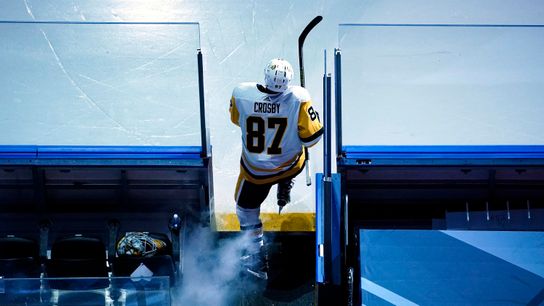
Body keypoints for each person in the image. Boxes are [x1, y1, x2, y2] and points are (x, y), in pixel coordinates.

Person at [229, 58, 323, 280]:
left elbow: (236, 120)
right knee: (295, 157)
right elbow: (311, 140)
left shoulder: (241, 92)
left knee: (246, 210)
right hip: (290, 165)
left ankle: (255, 259)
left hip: (257, 173)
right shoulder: (299, 97)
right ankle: (284, 182)